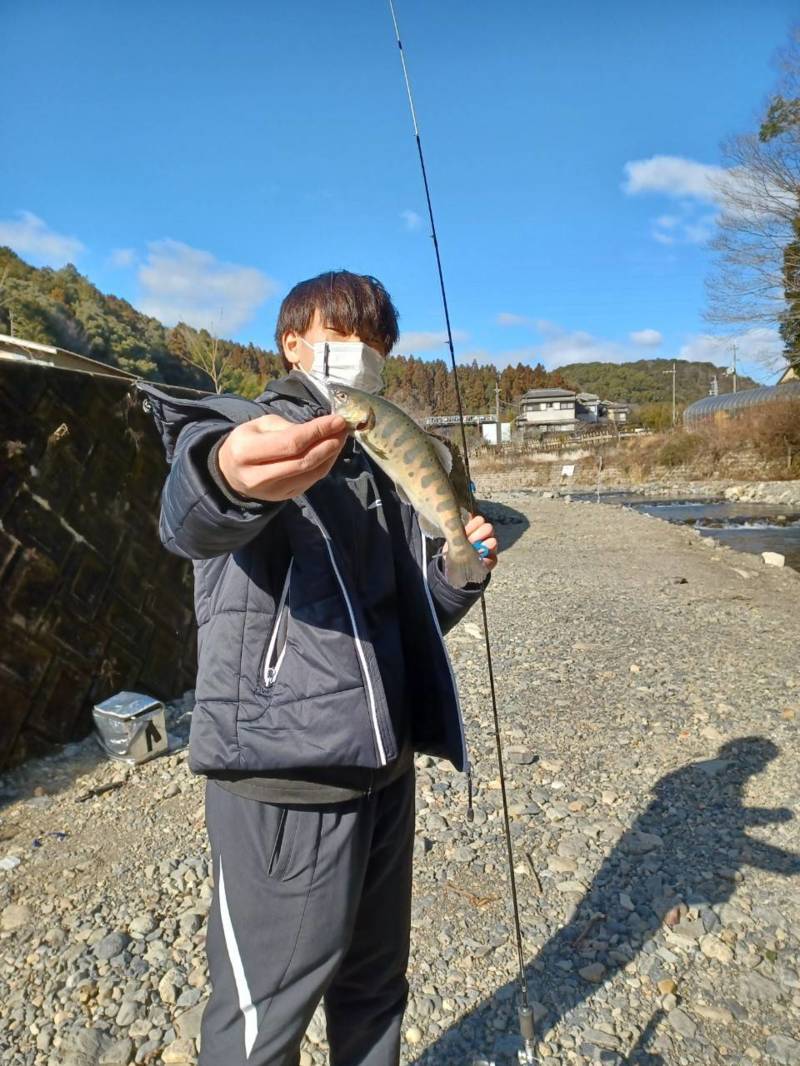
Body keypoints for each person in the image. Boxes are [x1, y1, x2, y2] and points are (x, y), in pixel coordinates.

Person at [139, 270, 497, 1066]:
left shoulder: (385, 464)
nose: (359, 353)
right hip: (285, 775)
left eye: (375, 342)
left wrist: (458, 573)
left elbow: (408, 622)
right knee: (265, 1018)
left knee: (375, 996)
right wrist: (228, 476)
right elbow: (192, 507)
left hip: (386, 766)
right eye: (341, 333)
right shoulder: (250, 423)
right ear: (292, 343)